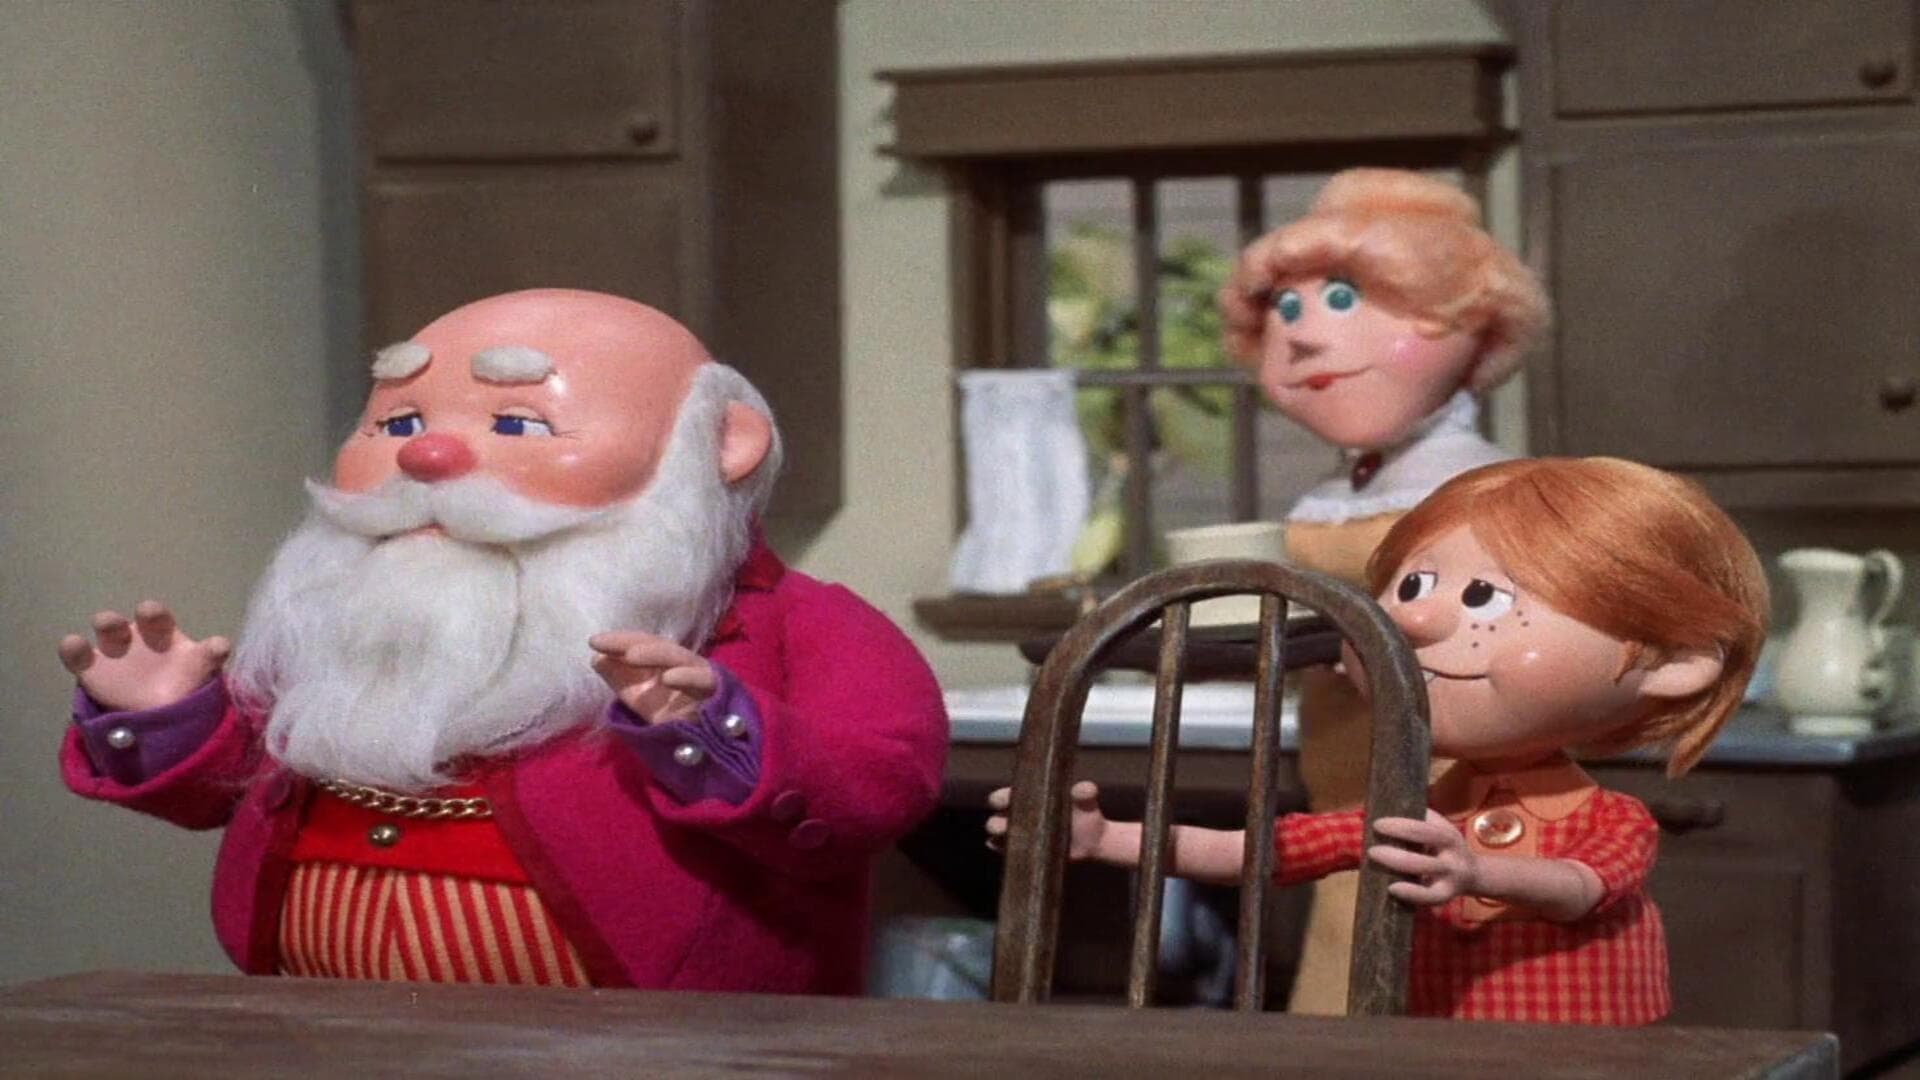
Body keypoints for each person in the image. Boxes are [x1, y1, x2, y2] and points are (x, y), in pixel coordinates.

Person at [56, 288, 948, 992]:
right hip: (316, 1030)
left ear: (720, 444)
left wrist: (718, 734)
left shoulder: (803, 624)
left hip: (646, 1052)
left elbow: (877, 790)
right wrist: (169, 718)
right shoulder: (349, 606)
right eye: (398, 424)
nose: (426, 457)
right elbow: (228, 783)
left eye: (519, 424)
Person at [990, 457, 1767, 1023]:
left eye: (1485, 595)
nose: (1414, 619)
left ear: (1669, 664)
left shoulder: (1611, 819)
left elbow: (1580, 886)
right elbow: (1259, 852)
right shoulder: (1409, 810)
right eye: (1412, 586)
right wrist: (1104, 837)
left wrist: (1477, 871)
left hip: (1590, 1057)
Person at [1216, 168, 1549, 1011]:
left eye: (1344, 300)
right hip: (1343, 796)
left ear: (1473, 328)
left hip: (1454, 814)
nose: (1303, 336)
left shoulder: (1481, 491)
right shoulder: (1342, 493)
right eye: (1285, 308)